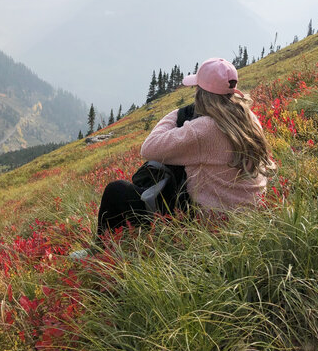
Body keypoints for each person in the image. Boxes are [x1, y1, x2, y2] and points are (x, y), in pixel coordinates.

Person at [94, 57, 272, 237]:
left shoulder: (204, 128)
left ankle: (99, 250)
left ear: (201, 93)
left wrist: (178, 113)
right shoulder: (250, 119)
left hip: (213, 223)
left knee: (116, 190)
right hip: (249, 218)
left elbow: (148, 148)